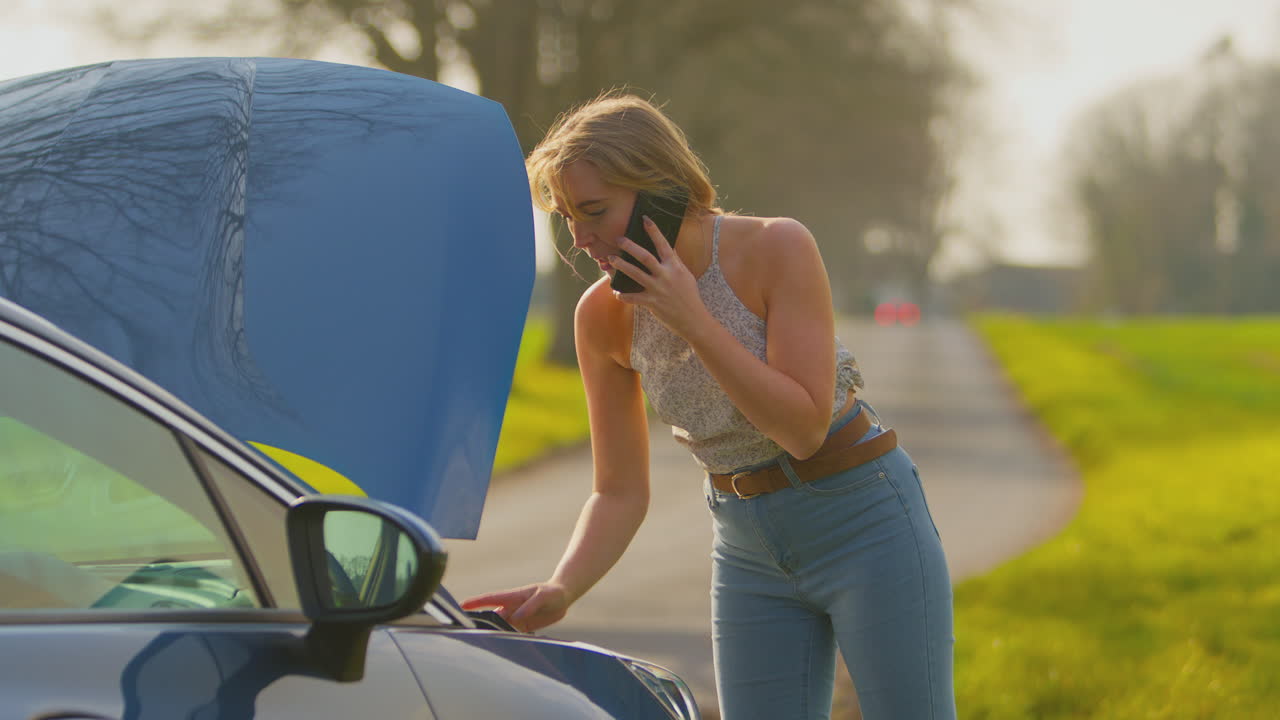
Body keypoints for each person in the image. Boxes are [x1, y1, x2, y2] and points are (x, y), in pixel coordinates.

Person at [462, 91, 956, 720]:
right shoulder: (601, 318)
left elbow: (803, 429)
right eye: (565, 217)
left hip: (863, 521)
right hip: (747, 546)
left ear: (660, 188)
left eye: (594, 210)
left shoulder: (777, 248)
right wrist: (563, 587)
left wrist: (694, 320)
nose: (581, 239)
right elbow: (617, 490)